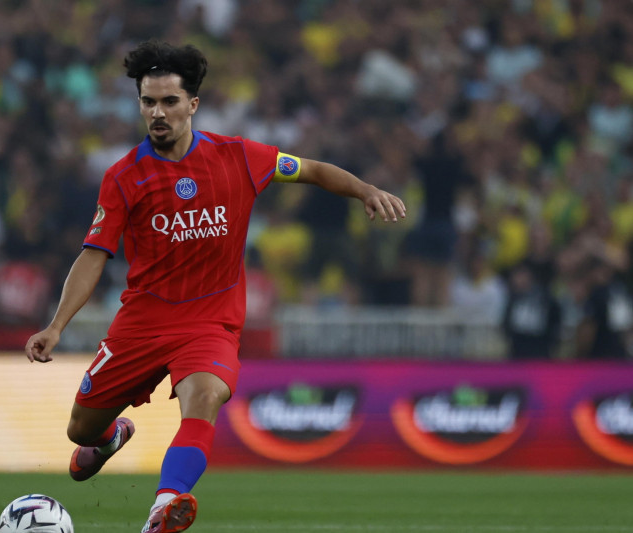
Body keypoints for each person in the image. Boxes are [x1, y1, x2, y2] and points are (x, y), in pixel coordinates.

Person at [24, 40, 406, 533]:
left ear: (192, 105)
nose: (157, 113)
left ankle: (165, 504)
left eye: (168, 102)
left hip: (210, 322)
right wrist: (56, 326)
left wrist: (366, 190)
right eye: (147, 102)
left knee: (205, 395)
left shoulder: (241, 157)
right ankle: (108, 437)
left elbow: (311, 170)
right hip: (141, 323)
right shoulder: (123, 178)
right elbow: (94, 254)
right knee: (80, 428)